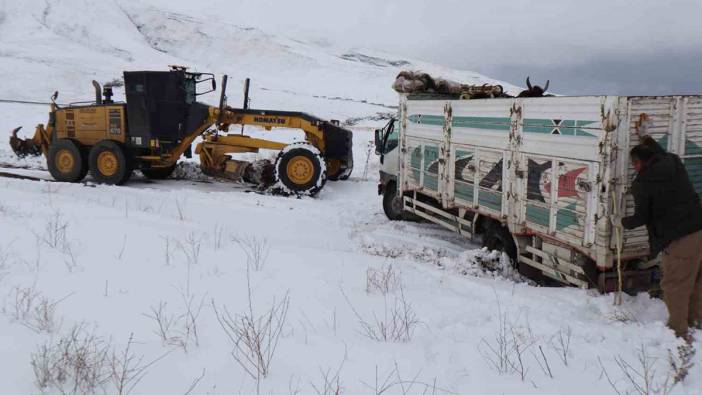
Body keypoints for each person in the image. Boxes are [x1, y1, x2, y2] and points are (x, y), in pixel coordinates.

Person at [615, 135, 702, 338]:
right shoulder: (673, 162)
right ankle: (695, 321)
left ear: (639, 163)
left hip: (681, 239)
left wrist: (620, 221)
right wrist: (647, 138)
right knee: (696, 280)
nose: (633, 168)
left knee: (675, 285)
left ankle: (678, 331)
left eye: (634, 164)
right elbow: (660, 154)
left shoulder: (643, 184)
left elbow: (640, 218)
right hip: (700, 227)